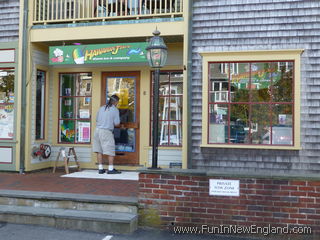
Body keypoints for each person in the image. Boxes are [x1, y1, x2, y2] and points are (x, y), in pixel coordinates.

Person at [93, 94, 122, 174]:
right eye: (117, 102)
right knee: (110, 150)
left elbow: (97, 119)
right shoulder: (115, 110)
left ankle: (100, 168)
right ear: (115, 102)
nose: (117, 104)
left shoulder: (101, 108)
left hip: (97, 131)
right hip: (106, 131)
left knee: (99, 150)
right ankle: (110, 169)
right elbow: (117, 123)